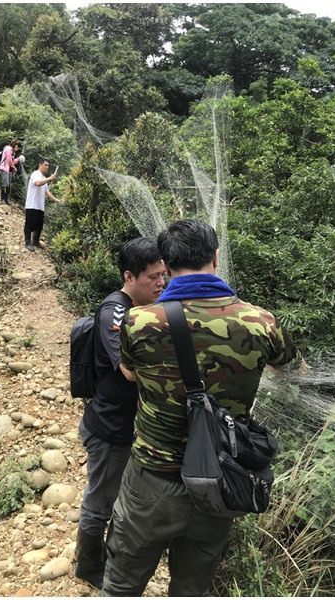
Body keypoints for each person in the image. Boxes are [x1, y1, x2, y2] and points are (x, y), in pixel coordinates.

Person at [101, 219, 302, 596]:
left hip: (151, 480)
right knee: (193, 588)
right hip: (219, 484)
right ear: (215, 256)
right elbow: (296, 373)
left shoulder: (138, 321)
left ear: (166, 263)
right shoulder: (261, 322)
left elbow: (130, 371)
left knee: (122, 584)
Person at [74, 237, 166, 590]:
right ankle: (88, 565)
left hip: (126, 425)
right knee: (100, 501)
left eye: (164, 275)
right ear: (129, 276)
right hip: (110, 429)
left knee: (116, 498)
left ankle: (105, 556)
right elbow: (129, 370)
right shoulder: (115, 310)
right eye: (153, 277)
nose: (161, 283)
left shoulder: (145, 308)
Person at [24, 158, 61, 251]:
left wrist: (56, 200)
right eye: (46, 165)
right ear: (40, 164)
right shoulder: (35, 174)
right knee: (29, 225)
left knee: (39, 226)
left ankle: (35, 241)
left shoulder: (44, 178)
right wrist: (50, 178)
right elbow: (38, 183)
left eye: (48, 165)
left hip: (40, 206)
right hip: (32, 205)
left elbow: (46, 191)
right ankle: (27, 242)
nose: (47, 167)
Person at [0, 139, 19, 204]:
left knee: (9, 185)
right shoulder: (8, 149)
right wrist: (14, 167)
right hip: (3, 169)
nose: (18, 149)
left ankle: (6, 200)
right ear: (15, 146)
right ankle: (2, 199)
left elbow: (12, 161)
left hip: (9, 170)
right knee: (5, 184)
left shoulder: (13, 152)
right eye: (18, 147)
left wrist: (18, 159)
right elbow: (9, 160)